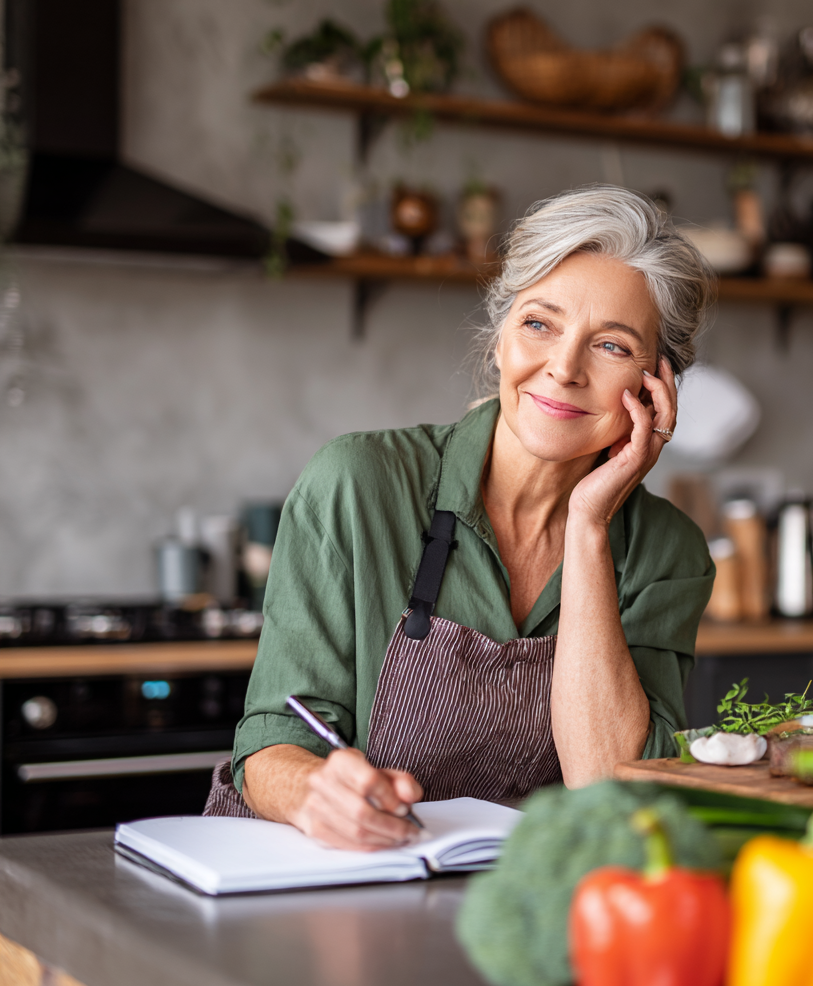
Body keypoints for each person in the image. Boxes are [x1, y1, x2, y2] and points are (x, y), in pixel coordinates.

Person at [226, 185, 715, 850]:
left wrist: (589, 524)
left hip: (509, 906)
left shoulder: (666, 553)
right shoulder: (359, 483)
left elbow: (610, 793)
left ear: (657, 385)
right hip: (316, 883)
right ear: (501, 340)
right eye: (539, 324)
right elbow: (268, 746)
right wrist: (319, 794)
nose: (563, 368)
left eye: (611, 346)